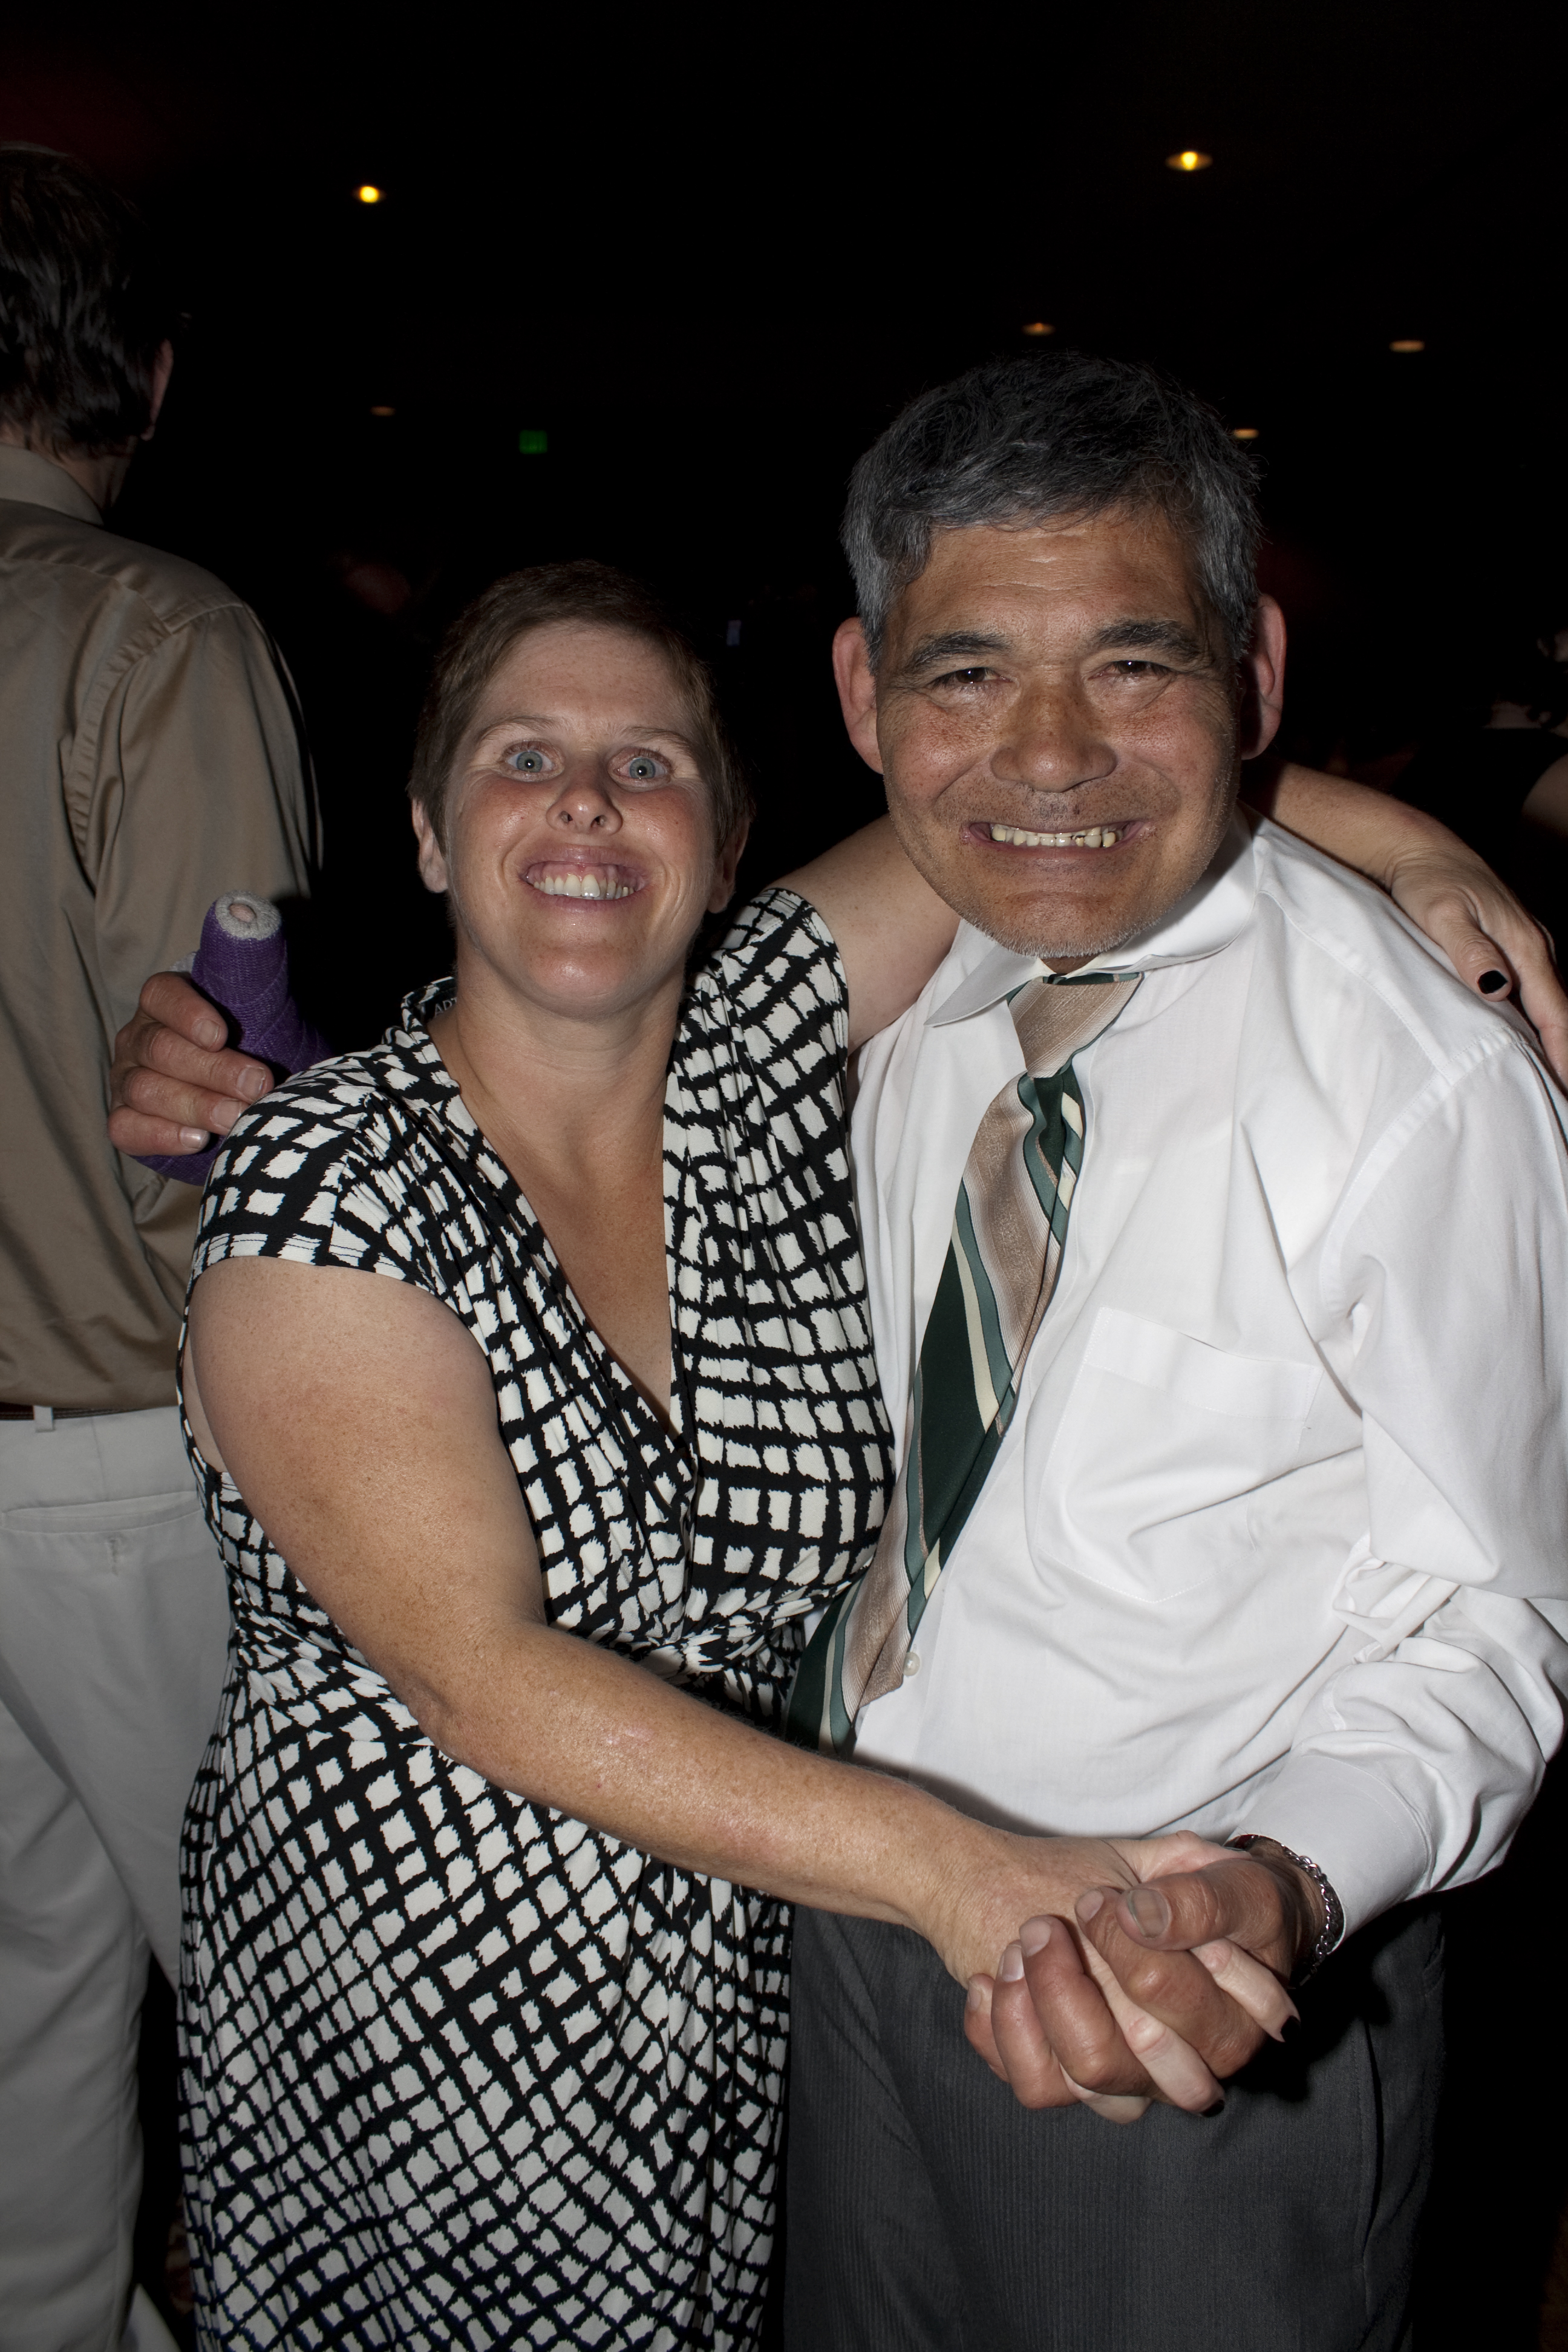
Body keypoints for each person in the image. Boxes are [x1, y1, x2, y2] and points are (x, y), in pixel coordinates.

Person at [106, 536, 1553, 2348]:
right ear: (422, 828)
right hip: (424, 2023)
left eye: (648, 764)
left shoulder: (754, 1059)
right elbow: (481, 1676)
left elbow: (1029, 804)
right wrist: (967, 1880)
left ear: (727, 844)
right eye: (519, 756)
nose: (584, 804)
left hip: (734, 1991)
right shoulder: (330, 1176)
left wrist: (1408, 842)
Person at [776, 354, 1568, 2352]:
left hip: (1189, 1985)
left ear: (1257, 674)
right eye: (964, 677)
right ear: (865, 697)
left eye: (1134, 667)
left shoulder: (1416, 1083)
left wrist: (1280, 1886)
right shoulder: (897, 999)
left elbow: (1502, 1617)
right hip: (858, 1911)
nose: (1050, 757)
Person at [0, 147, 318, 2352]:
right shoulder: (155, 637)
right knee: (307, 2013)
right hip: (113, 1456)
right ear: (156, 379)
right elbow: (234, 1137)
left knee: (25, 2009)